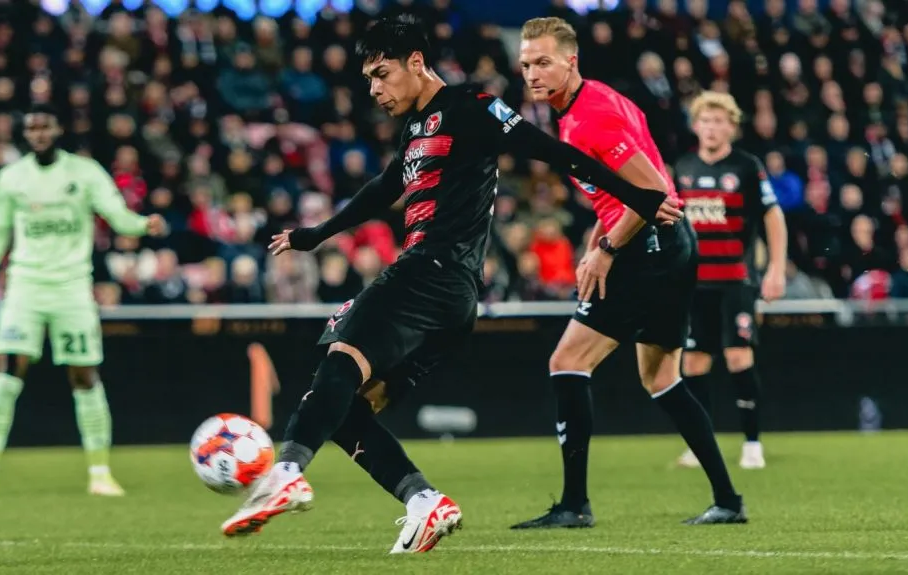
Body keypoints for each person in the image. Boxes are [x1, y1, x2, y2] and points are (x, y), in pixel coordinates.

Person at [219, 15, 683, 553]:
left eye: (382, 74)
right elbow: (382, 188)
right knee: (345, 410)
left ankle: (286, 474)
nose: (374, 89)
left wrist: (638, 196)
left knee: (337, 364)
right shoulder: (417, 128)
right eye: (368, 78)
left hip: (429, 272)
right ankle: (424, 502)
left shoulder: (472, 107)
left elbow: (553, 152)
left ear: (416, 63)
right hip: (452, 297)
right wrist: (316, 234)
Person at [511, 17, 747, 529]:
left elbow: (654, 191)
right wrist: (598, 238)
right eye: (526, 64)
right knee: (661, 377)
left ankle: (574, 505)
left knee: (567, 361)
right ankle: (728, 499)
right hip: (674, 244)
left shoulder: (590, 116)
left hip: (649, 248)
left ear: (571, 61)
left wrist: (608, 249)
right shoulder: (593, 101)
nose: (532, 73)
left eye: (543, 62)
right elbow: (626, 191)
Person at [0, 104, 166, 500]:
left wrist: (143, 224)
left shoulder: (84, 173)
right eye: (31, 126)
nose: (38, 132)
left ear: (58, 129)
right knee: (6, 375)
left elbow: (117, 216)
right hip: (25, 287)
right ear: (24, 133)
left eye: (45, 125)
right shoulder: (11, 178)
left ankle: (100, 473)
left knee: (85, 376)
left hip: (72, 287)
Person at [673, 92, 787, 471]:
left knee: (738, 356)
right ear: (696, 125)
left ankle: (752, 443)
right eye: (705, 120)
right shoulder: (682, 167)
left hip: (735, 280)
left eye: (719, 121)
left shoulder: (745, 166)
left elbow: (773, 216)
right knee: (693, 362)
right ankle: (699, 444)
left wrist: (774, 268)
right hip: (692, 284)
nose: (711, 127)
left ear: (732, 127)